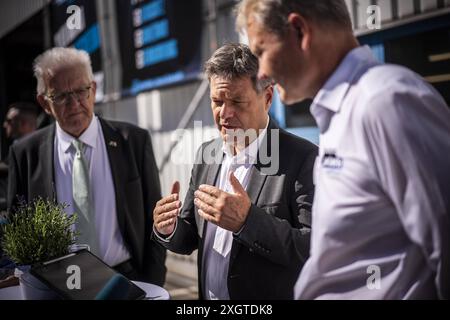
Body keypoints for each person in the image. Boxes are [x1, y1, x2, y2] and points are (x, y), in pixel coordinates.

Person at [236, 0, 450, 299]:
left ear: (299, 31)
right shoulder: (344, 110)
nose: (260, 75)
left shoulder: (385, 102)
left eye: (261, 52)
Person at [153, 43, 317, 299]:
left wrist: (247, 222)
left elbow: (313, 248)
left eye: (238, 101)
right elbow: (189, 236)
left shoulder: (303, 158)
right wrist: (169, 227)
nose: (224, 114)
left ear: (268, 98)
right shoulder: (206, 155)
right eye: (217, 101)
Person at [7, 47, 166, 285]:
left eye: (81, 91)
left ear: (93, 89)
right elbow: (17, 232)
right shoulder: (25, 155)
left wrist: (152, 281)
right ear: (44, 102)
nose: (74, 104)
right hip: (57, 287)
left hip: (125, 280)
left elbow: (156, 220)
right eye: (61, 96)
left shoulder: (133, 141)